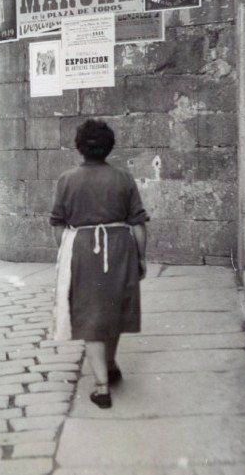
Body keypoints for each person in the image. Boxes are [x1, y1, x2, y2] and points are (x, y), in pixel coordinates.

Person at [50, 119, 148, 409]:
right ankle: (110, 363)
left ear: (80, 148)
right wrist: (140, 258)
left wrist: (68, 253)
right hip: (120, 247)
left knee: (91, 315)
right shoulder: (123, 179)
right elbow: (139, 224)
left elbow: (57, 225)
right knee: (114, 308)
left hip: (83, 250)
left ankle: (102, 384)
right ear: (109, 147)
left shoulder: (67, 180)